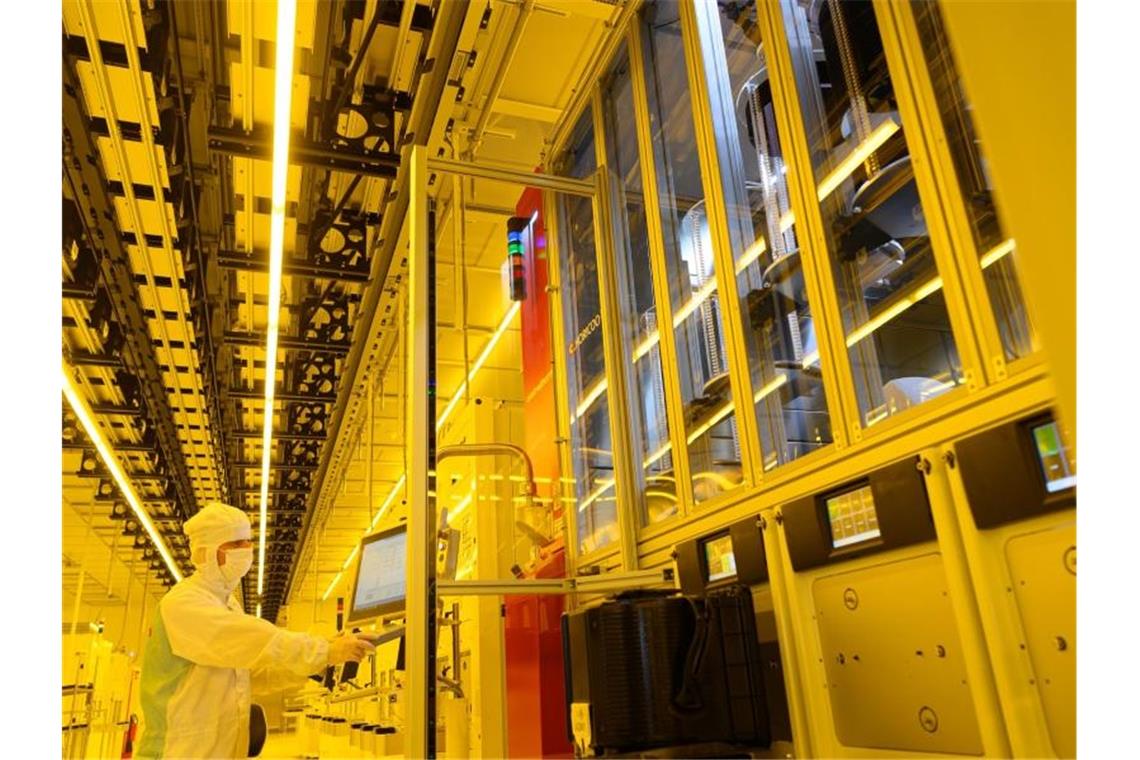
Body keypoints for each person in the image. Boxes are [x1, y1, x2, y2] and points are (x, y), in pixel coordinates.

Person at [137, 502, 375, 758]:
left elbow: (250, 676)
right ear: (207, 553)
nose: (247, 550)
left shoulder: (228, 604)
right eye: (236, 544)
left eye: (248, 541)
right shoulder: (184, 603)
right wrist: (322, 650)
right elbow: (258, 638)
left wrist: (321, 658)